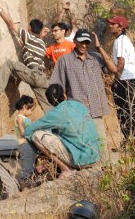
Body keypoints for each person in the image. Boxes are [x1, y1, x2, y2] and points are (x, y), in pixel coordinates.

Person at [49, 29, 117, 157]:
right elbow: (56, 86)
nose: (84, 45)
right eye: (81, 42)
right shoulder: (64, 61)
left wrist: (99, 47)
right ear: (74, 41)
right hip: (77, 112)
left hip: (96, 109)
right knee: (82, 147)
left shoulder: (96, 58)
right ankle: (86, 173)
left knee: (101, 145)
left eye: (87, 42)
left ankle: (103, 171)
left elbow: (113, 69)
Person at [17, 83, 100, 183]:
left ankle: (65, 169)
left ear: (50, 102)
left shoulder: (55, 113)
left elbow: (29, 131)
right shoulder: (79, 104)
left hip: (80, 160)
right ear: (64, 95)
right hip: (96, 155)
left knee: (37, 135)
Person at [0, 0, 52, 112]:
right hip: (42, 79)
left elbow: (11, 23)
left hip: (33, 75)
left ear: (30, 29)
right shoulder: (42, 44)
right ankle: (59, 125)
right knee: (48, 106)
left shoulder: (28, 37)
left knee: (9, 64)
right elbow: (35, 45)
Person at [107, 15, 135, 143]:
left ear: (120, 27)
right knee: (130, 110)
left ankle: (133, 140)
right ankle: (134, 140)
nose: (110, 26)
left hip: (124, 80)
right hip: (128, 79)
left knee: (125, 111)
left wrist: (116, 78)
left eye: (113, 24)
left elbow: (121, 61)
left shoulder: (121, 40)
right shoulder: (122, 39)